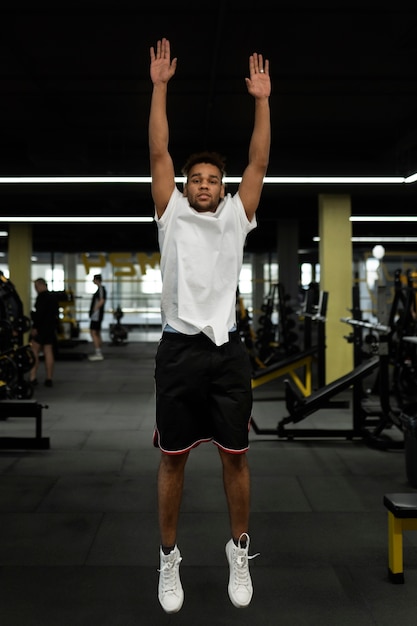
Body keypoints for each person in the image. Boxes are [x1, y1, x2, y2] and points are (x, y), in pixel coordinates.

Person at [149, 38, 271, 613]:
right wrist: (160, 87)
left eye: (210, 179)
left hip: (226, 352)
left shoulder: (235, 218)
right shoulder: (169, 213)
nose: (202, 184)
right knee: (172, 457)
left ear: (220, 187)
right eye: (194, 178)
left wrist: (262, 102)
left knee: (236, 456)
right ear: (182, 186)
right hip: (178, 349)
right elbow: (158, 152)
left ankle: (238, 549)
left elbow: (259, 162)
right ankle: (168, 559)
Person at [29, 278, 59, 387]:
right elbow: (56, 314)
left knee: (34, 351)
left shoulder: (41, 298)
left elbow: (39, 315)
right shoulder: (53, 297)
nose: (35, 289)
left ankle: (32, 377)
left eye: (36, 287)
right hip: (50, 328)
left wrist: (35, 327)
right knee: (48, 351)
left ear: (40, 285)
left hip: (40, 329)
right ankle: (49, 378)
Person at [88, 274, 106, 361]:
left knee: (93, 332)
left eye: (93, 279)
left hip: (96, 315)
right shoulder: (99, 289)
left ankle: (98, 353)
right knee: (96, 333)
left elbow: (102, 300)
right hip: (96, 315)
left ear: (97, 280)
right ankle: (99, 351)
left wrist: (95, 310)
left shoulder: (101, 289)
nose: (93, 281)